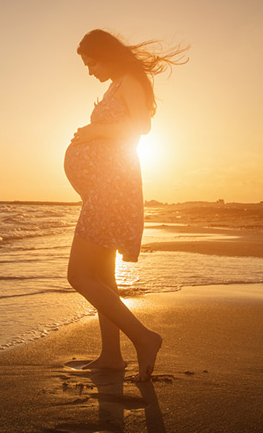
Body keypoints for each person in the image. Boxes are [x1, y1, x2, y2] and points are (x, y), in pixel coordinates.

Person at [64, 29, 187, 381]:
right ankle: (111, 356)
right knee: (102, 276)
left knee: (78, 275)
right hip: (104, 188)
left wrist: (94, 132)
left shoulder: (130, 79)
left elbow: (142, 127)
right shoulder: (116, 84)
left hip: (112, 188)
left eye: (91, 62)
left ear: (107, 54)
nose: (89, 70)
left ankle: (145, 339)